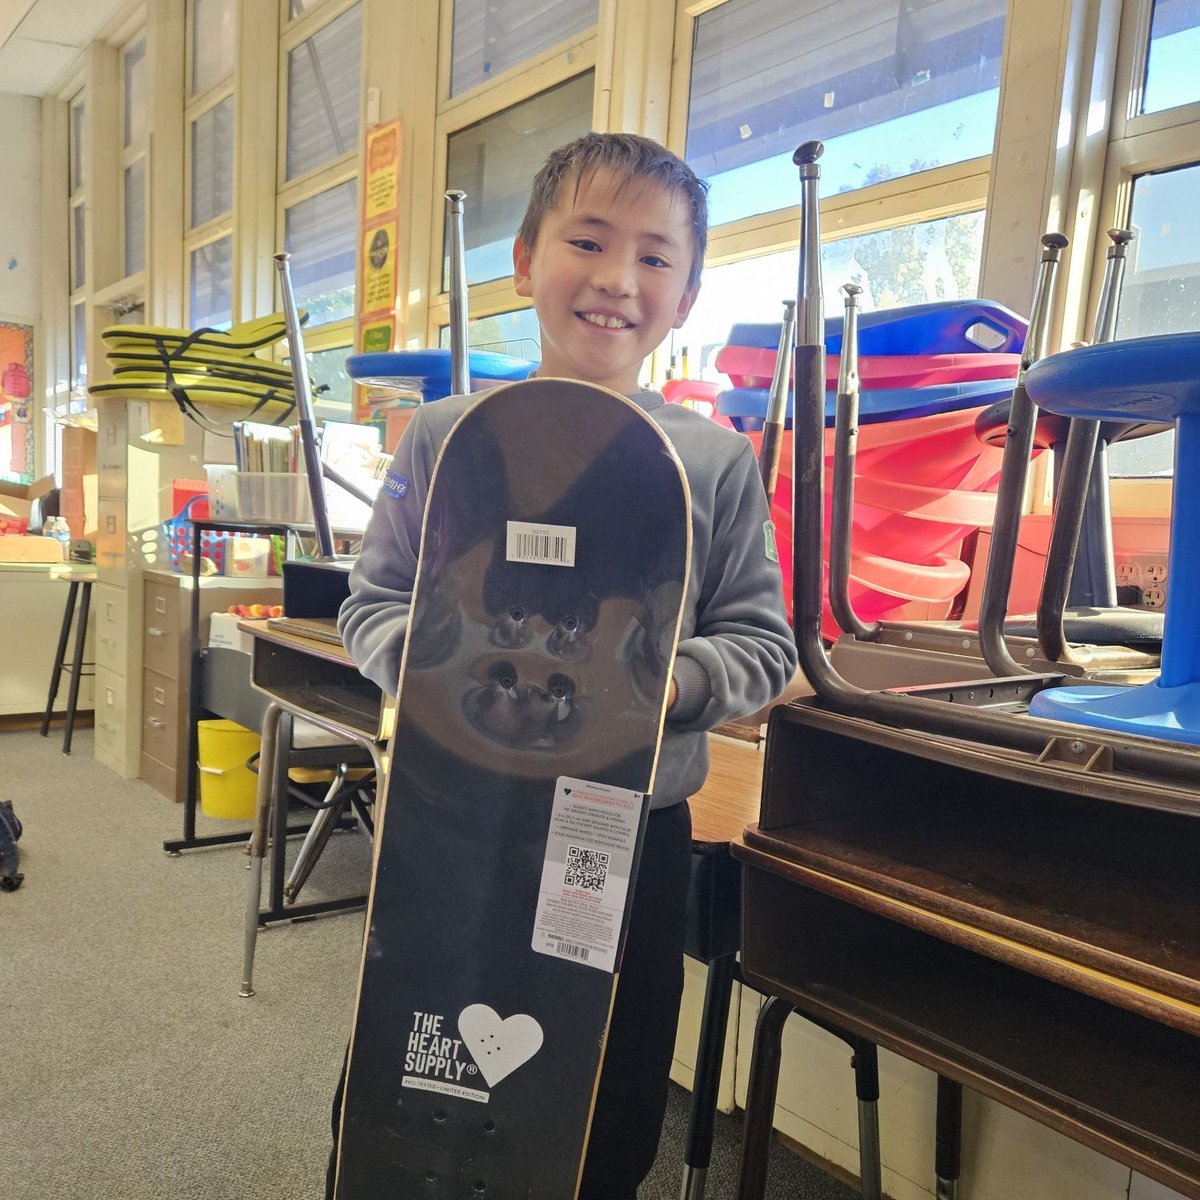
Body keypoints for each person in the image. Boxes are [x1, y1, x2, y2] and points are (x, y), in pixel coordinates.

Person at [333, 131, 798, 1198]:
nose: (616, 279)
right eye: (587, 241)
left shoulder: (715, 462)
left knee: (595, 1112)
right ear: (525, 259)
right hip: (453, 822)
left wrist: (664, 687)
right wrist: (428, 667)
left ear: (684, 296)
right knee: (411, 1088)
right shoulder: (444, 438)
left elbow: (762, 644)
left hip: (620, 836)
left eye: (653, 257)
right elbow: (372, 601)